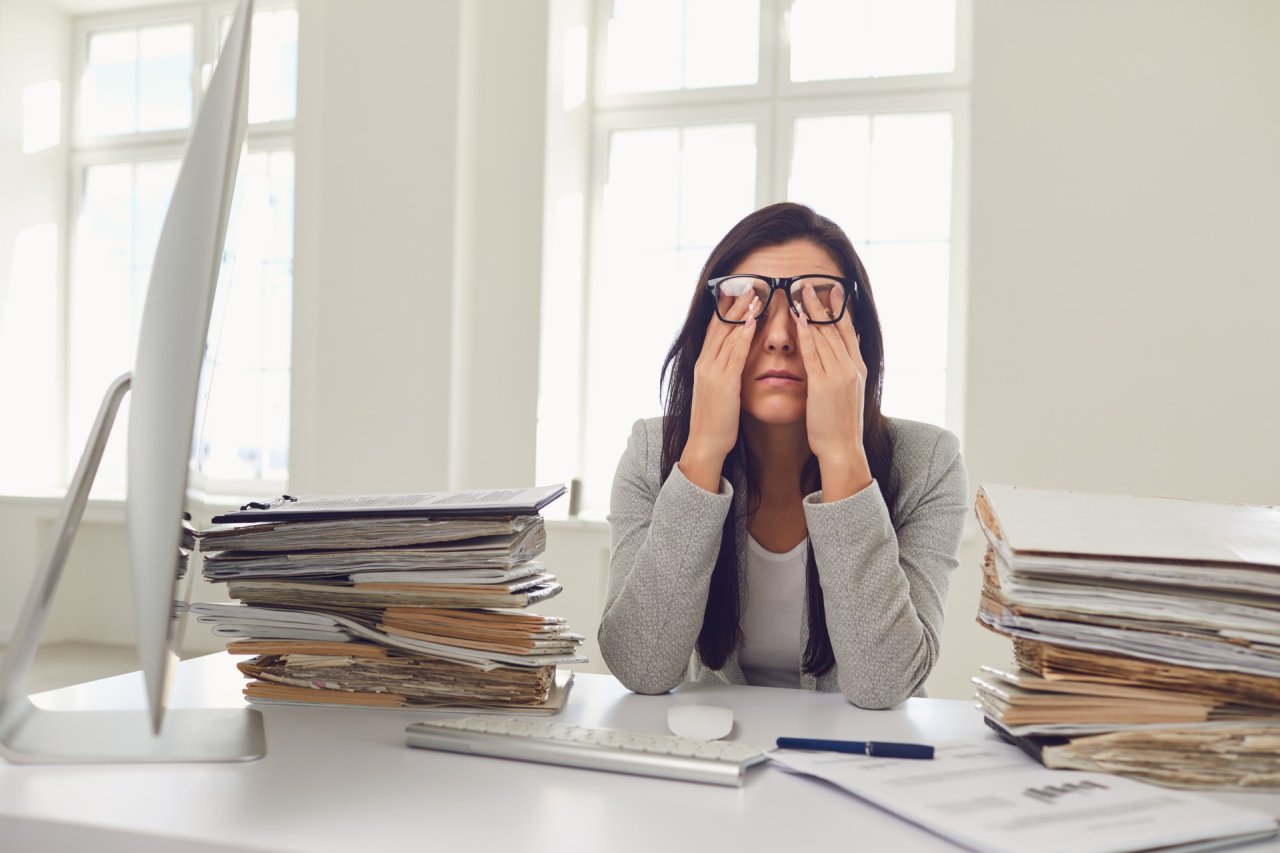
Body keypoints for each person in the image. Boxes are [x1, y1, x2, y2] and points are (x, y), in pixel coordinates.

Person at [598, 202, 967, 709]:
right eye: (746, 303)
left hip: (864, 765)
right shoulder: (649, 452)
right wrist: (703, 450)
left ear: (858, 335)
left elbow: (884, 686)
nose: (777, 338)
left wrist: (842, 453)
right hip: (719, 763)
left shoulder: (929, 462)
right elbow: (641, 666)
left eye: (815, 306)